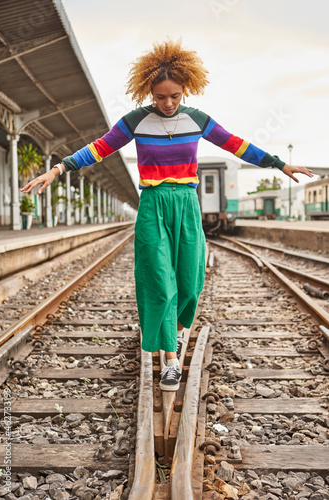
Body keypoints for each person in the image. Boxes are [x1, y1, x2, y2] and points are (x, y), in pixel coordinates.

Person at [21, 39, 313, 392]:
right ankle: (169, 360)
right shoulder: (135, 121)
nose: (168, 103)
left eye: (174, 95)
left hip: (187, 204)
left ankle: (172, 333)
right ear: (150, 92)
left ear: (185, 89)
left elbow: (237, 144)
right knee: (159, 280)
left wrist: (279, 164)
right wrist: (58, 169)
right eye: (160, 96)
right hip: (153, 204)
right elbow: (99, 148)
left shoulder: (198, 120)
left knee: (189, 282)